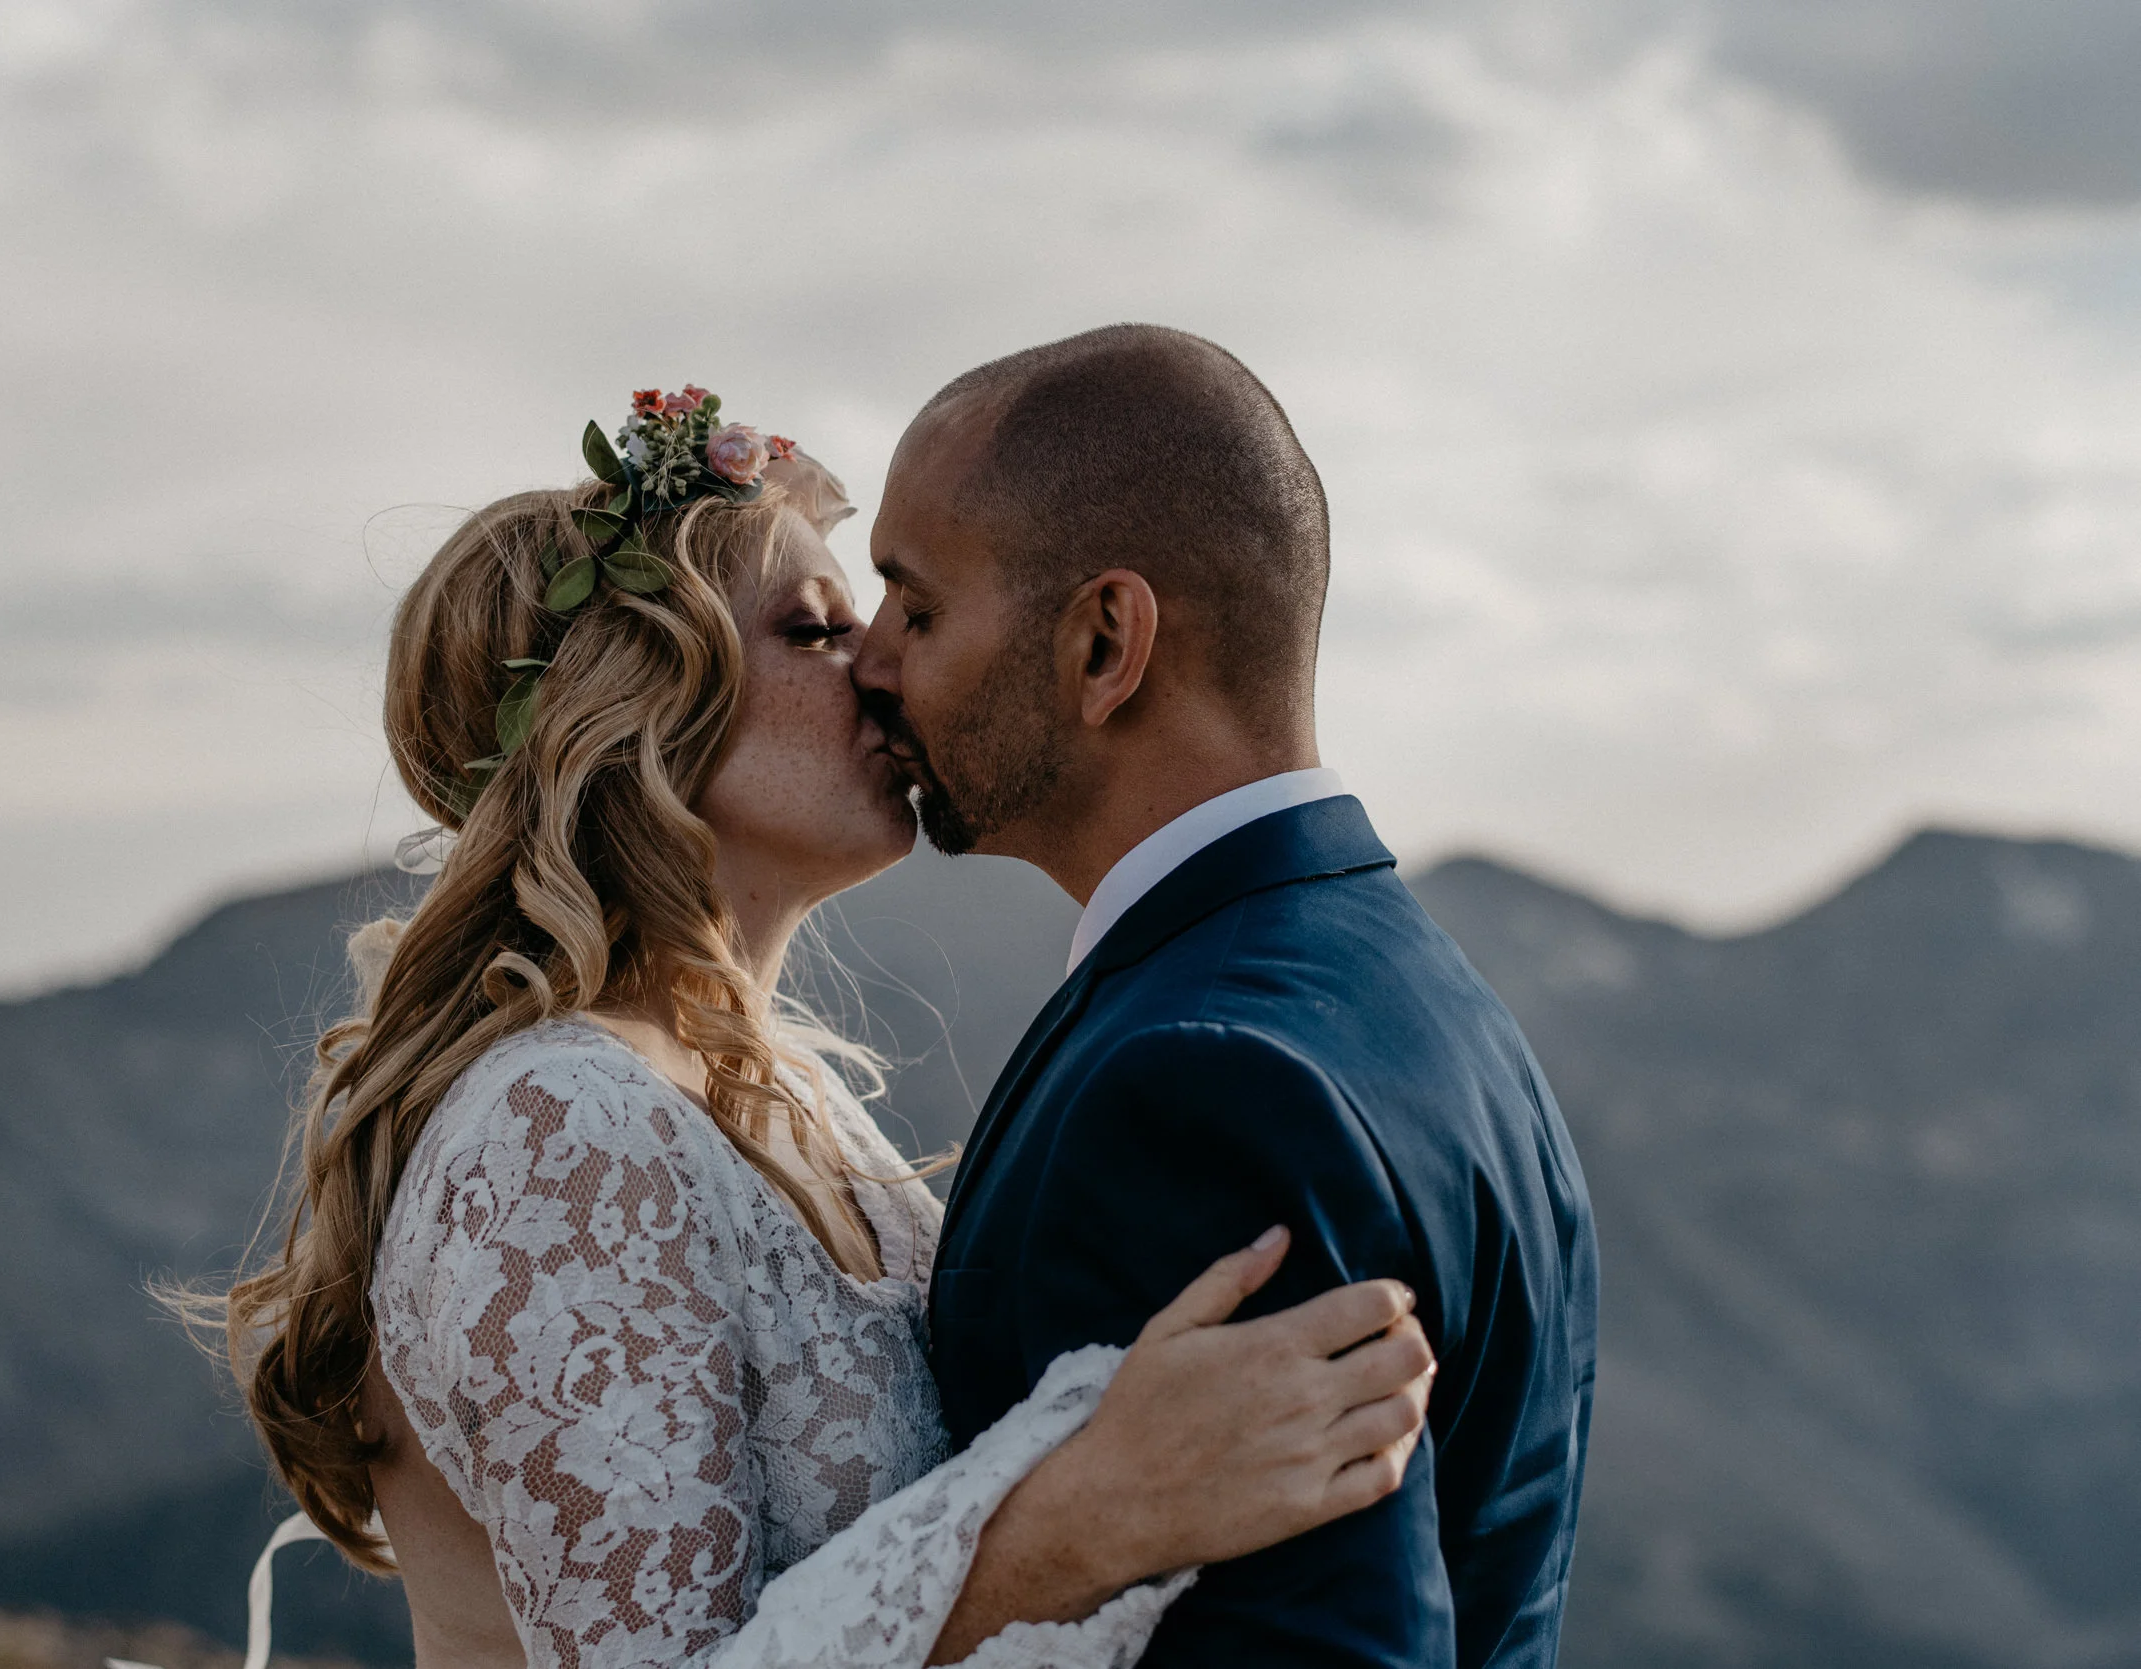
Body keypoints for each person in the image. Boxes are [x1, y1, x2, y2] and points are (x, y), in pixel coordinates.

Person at [209, 386, 1440, 1669]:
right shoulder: (558, 1129)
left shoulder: (781, 1091)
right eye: (814, 630)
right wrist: (1083, 1520)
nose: (882, 670)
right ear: (638, 709)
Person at [853, 325, 1599, 1668]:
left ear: (1104, 642)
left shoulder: (1201, 1089)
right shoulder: (1427, 995)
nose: (868, 662)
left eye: (915, 608)